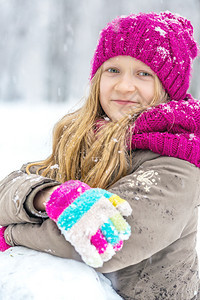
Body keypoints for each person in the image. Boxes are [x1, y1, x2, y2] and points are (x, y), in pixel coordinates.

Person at [0, 11, 200, 300]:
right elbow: (9, 188)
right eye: (113, 70)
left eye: (143, 74)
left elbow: (104, 243)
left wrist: (10, 235)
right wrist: (47, 195)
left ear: (168, 88)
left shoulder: (176, 162)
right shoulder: (83, 138)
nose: (124, 86)